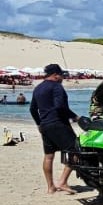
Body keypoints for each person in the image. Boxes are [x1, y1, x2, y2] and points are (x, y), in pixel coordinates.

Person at [28, 63, 78, 194]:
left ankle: (50, 187)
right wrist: (74, 117)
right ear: (56, 75)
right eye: (61, 75)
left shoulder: (38, 88)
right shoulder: (57, 87)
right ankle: (62, 181)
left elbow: (33, 109)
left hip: (45, 125)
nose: (63, 78)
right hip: (58, 123)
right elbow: (60, 106)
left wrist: (39, 124)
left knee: (49, 156)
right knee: (76, 150)